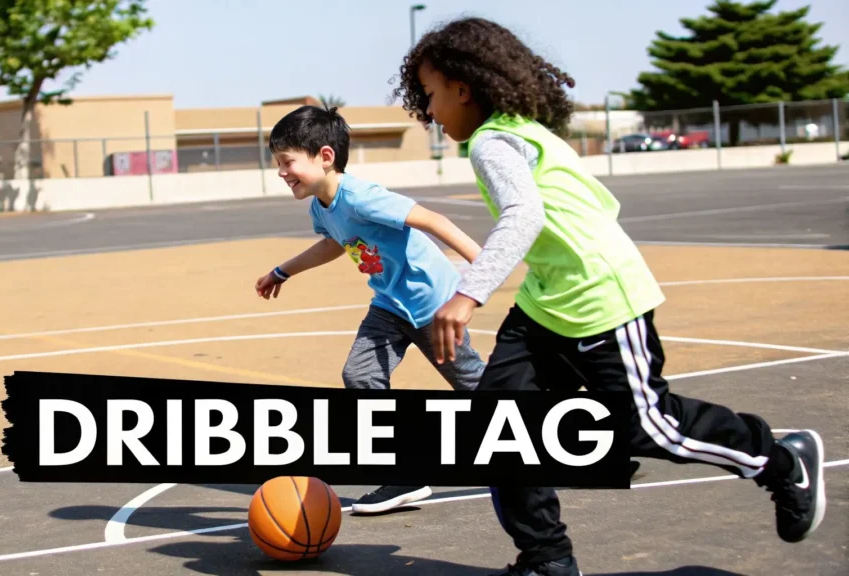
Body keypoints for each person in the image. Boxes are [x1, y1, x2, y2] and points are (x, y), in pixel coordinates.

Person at [392, 17, 827, 576]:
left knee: (650, 427)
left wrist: (467, 295)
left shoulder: (493, 143)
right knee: (499, 425)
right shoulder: (520, 129)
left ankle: (781, 461)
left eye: (430, 95)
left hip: (601, 299)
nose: (428, 111)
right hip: (549, 303)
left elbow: (525, 215)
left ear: (462, 87)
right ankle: (547, 559)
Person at [254, 104, 488, 514]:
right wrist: (282, 271)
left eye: (287, 162)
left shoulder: (361, 197)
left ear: (325, 157)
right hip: (388, 304)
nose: (281, 172)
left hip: (431, 303)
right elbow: (333, 244)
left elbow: (433, 220)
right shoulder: (320, 207)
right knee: (360, 376)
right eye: (278, 164)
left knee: (474, 386)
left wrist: (484, 271)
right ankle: (404, 475)